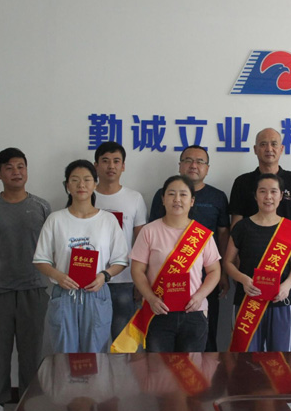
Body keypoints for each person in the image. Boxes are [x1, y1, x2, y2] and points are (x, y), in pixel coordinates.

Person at [0, 147, 51, 411]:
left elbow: (49, 246)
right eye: (9, 168)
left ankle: (30, 400)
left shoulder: (41, 206)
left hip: (34, 287)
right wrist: (0, 263)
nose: (16, 172)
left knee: (32, 351)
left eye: (20, 166)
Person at [33, 160, 128, 354]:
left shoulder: (107, 220)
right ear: (67, 185)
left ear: (95, 184)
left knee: (95, 355)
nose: (81, 185)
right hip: (64, 293)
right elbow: (41, 259)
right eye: (75, 180)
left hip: (96, 293)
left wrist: (104, 276)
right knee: (64, 353)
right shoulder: (56, 219)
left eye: (87, 179)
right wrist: (58, 276)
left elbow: (120, 260)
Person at [149, 145, 230, 351]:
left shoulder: (218, 196)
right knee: (162, 342)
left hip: (204, 279)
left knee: (204, 334)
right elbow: (153, 234)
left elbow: (223, 234)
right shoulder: (162, 194)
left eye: (200, 161)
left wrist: (222, 273)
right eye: (188, 160)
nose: (193, 165)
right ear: (180, 165)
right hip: (164, 282)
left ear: (207, 168)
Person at [131, 175, 221, 352]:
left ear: (192, 201)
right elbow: (137, 270)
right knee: (158, 367)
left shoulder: (201, 234)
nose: (177, 199)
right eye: (171, 194)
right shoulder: (149, 231)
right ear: (163, 199)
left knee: (192, 367)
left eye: (183, 194)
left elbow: (214, 271)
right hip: (158, 311)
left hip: (194, 312)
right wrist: (151, 298)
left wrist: (200, 297)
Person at [228, 127, 291, 310]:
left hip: (285, 270)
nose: (269, 149)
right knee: (248, 321)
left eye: (274, 144)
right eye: (263, 144)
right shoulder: (242, 182)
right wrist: (237, 269)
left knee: (281, 318)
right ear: (255, 149)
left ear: (281, 149)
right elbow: (235, 225)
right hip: (249, 271)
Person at [224, 174, 291, 352]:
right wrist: (243, 280)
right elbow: (228, 262)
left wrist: (287, 285)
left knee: (280, 359)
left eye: (274, 191)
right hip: (247, 301)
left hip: (280, 301)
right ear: (255, 196)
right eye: (263, 191)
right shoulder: (241, 227)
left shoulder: (290, 228)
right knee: (245, 358)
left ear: (281, 196)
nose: (268, 197)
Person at [92, 142, 148, 341]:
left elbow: (142, 243)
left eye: (116, 161)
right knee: (93, 341)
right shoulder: (86, 196)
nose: (111, 166)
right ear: (96, 165)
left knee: (122, 343)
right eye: (105, 161)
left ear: (123, 166)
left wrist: (140, 281)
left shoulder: (134, 198)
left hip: (125, 280)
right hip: (92, 280)